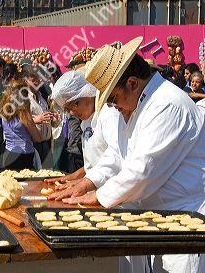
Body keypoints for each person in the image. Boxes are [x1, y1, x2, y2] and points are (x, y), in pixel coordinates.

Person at [58, 37, 205, 273]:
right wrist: (88, 182)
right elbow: (118, 156)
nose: (112, 107)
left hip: (185, 219)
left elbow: (143, 170)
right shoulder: (138, 105)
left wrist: (100, 196)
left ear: (133, 83)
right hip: (160, 219)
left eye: (113, 98)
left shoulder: (166, 104)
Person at [45, 70, 123, 200]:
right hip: (94, 191)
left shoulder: (109, 115)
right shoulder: (86, 121)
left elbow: (116, 156)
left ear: (88, 94)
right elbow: (95, 161)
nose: (72, 112)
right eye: (67, 109)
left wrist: (85, 184)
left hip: (111, 194)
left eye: (74, 104)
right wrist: (75, 176)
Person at [0, 79, 42, 170]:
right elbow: (37, 138)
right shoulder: (23, 112)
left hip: (8, 151)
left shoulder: (4, 110)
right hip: (23, 155)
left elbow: (15, 127)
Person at [21, 67, 54, 169]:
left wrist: (52, 116)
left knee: (47, 174)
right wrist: (36, 120)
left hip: (45, 144)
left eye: (39, 79)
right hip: (33, 145)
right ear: (25, 80)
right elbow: (18, 121)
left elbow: (45, 115)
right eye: (33, 80)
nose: (37, 82)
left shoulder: (41, 96)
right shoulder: (23, 98)